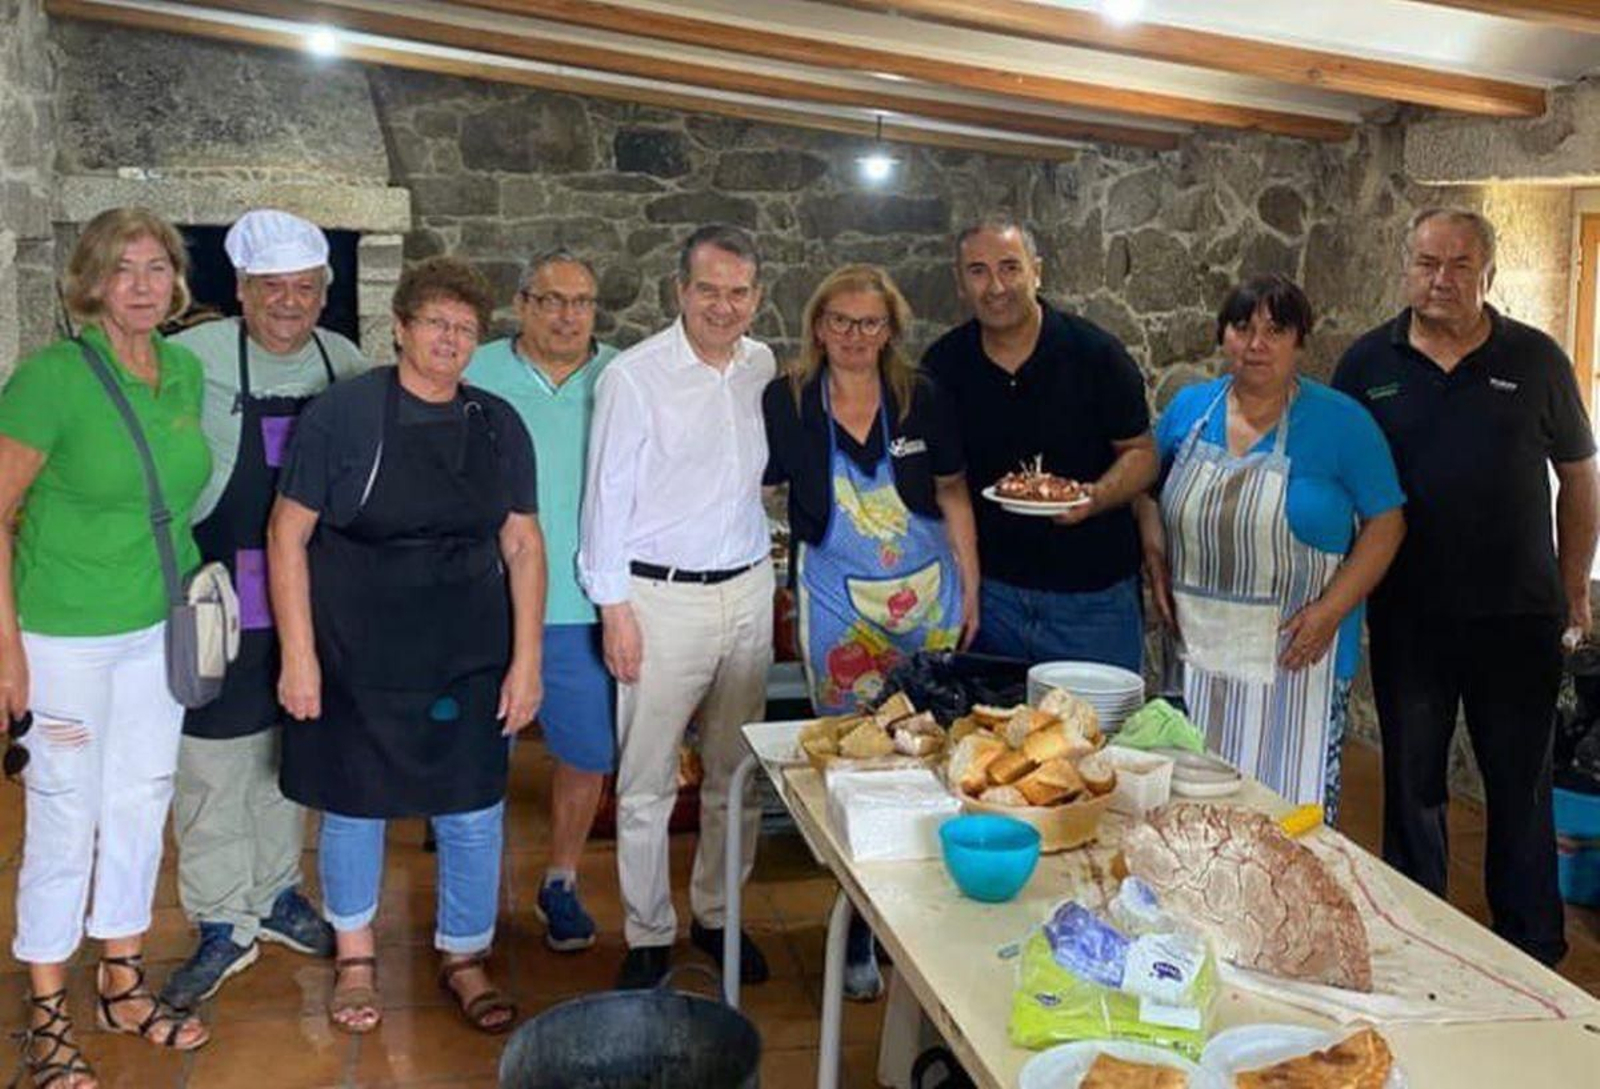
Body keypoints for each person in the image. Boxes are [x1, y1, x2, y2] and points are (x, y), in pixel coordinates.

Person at [268, 256, 546, 1033]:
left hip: (468, 652)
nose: (450, 339)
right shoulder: (343, 416)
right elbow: (287, 536)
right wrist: (300, 657)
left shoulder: (497, 422)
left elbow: (523, 544)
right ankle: (355, 955)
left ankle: (464, 953)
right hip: (355, 651)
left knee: (472, 807)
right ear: (399, 327)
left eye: (465, 327)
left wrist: (526, 661)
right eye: (435, 323)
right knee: (354, 806)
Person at [1333, 207, 1600, 966]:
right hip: (1409, 615)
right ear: (1406, 267)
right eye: (1426, 262)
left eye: (1458, 265)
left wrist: (1574, 589)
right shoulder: (1365, 365)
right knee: (1411, 784)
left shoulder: (1538, 359)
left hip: (1519, 618)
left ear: (1487, 273)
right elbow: (1339, 478)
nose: (1440, 279)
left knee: (1520, 788)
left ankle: (1532, 948)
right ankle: (1418, 939)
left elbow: (1579, 480)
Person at [0, 207, 212, 1088]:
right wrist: (7, 653)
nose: (140, 283)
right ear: (90, 282)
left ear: (175, 281)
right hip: (63, 636)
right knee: (63, 813)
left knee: (141, 799)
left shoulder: (186, 371)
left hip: (155, 628)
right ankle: (47, 1013)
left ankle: (121, 977)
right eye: (121, 268)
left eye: (156, 266)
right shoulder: (48, 379)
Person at [160, 210, 366, 1011]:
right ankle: (220, 916)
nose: (289, 303)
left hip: (307, 588)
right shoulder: (190, 359)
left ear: (324, 294)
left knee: (291, 746)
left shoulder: (341, 360)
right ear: (240, 291)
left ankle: (277, 893)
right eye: (271, 288)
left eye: (305, 288)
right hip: (216, 586)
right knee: (212, 757)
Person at [762, 263, 979, 1000]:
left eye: (871, 323)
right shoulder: (786, 399)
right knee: (856, 768)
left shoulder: (923, 396)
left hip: (929, 601)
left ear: (891, 330)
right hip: (838, 607)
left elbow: (951, 493)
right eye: (841, 321)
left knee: (930, 759)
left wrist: (972, 588)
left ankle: (922, 921)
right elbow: (758, 485)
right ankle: (855, 923)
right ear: (818, 325)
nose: (855, 336)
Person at [580, 224, 775, 990]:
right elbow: (605, 500)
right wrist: (614, 609)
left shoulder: (762, 366)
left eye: (737, 292)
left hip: (751, 587)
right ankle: (650, 930)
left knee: (738, 771)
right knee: (647, 778)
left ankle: (718, 914)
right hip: (658, 597)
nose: (722, 306)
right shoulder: (633, 376)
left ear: (756, 298)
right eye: (708, 290)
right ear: (679, 291)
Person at [1140, 276, 1405, 820]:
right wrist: (1155, 558)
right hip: (1196, 656)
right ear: (1223, 337)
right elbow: (1147, 491)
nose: (1256, 343)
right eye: (1242, 327)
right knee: (1190, 818)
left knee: (1288, 828)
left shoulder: (1342, 424)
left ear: (1299, 342)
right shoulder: (1190, 410)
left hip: (1298, 659)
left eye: (1275, 330)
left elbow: (1387, 524)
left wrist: (1331, 612)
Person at [923, 213, 1157, 671]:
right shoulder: (943, 366)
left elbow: (1142, 455)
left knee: (1099, 738)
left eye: (1010, 267)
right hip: (993, 599)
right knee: (989, 734)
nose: (995, 286)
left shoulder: (1096, 355)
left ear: (1037, 271)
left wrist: (1095, 496)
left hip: (1093, 600)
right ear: (960, 283)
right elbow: (946, 483)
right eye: (978, 271)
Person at [466, 249, 618, 953]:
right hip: (484, 605)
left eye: (581, 301)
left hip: (584, 605)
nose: (567, 315)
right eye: (551, 300)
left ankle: (559, 879)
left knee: (586, 753)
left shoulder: (622, 375)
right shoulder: (475, 369)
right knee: (475, 754)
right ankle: (472, 896)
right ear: (521, 303)